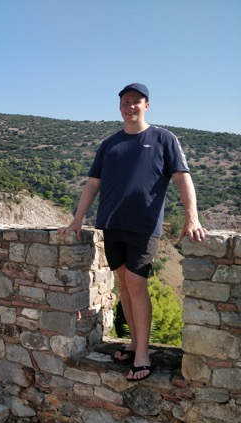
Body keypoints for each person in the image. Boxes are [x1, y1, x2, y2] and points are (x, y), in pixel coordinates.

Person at [57, 83, 206, 382]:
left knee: (137, 285)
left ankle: (143, 355)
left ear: (146, 105)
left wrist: (192, 217)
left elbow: (182, 178)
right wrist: (77, 219)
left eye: (136, 101)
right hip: (111, 223)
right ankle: (135, 342)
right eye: (125, 101)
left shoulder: (163, 138)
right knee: (124, 285)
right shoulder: (110, 144)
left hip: (144, 226)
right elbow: (92, 184)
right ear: (120, 107)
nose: (130, 106)